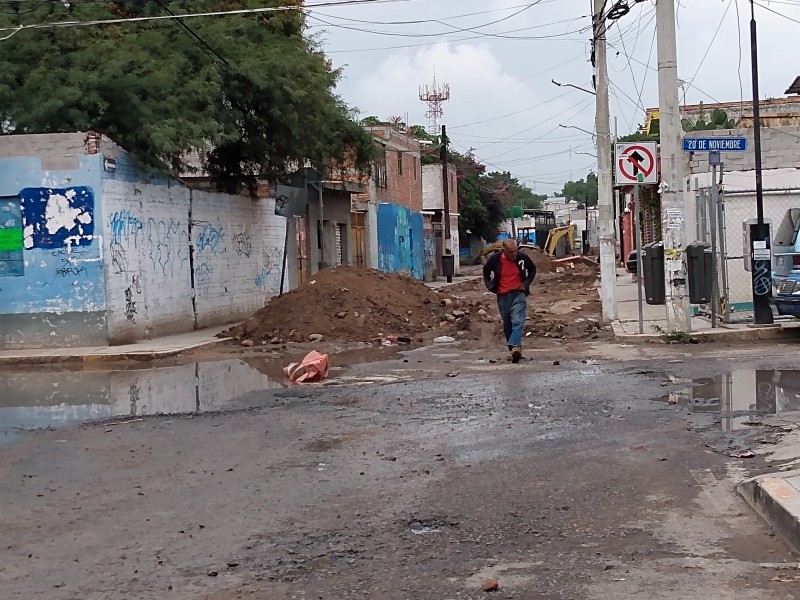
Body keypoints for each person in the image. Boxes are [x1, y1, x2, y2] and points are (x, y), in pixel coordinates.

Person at [482, 239, 537, 363]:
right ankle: (513, 349)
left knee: (518, 321)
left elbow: (532, 270)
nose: (514, 254)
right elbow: (486, 271)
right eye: (511, 252)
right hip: (502, 295)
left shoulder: (522, 257)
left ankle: (515, 347)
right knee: (508, 323)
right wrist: (489, 285)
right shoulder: (495, 259)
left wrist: (525, 284)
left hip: (519, 293)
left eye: (515, 251)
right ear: (504, 250)